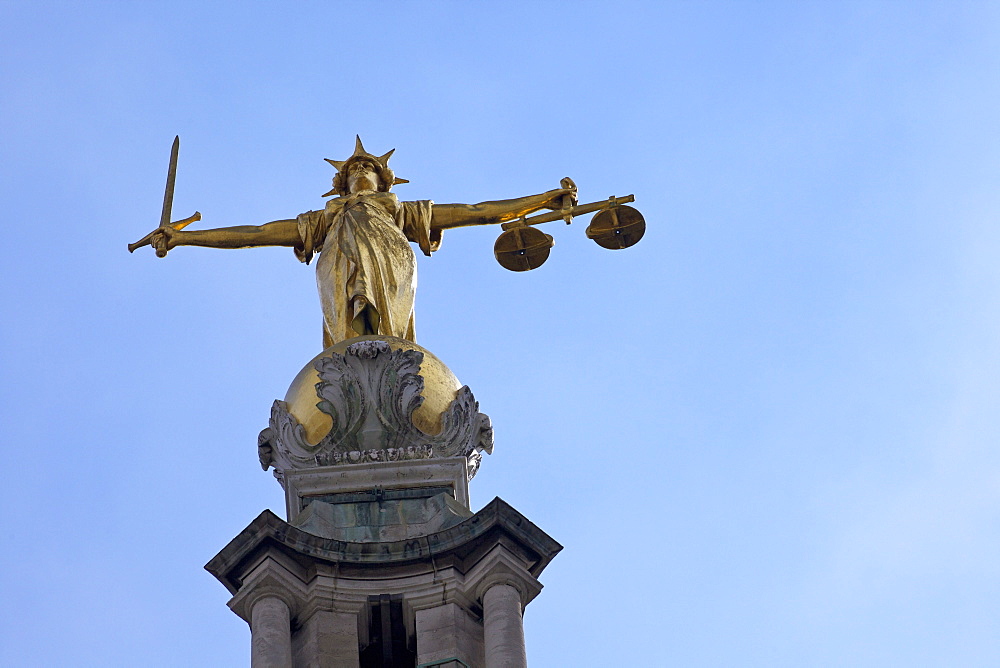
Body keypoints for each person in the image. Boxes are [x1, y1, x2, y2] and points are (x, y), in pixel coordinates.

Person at [149, 137, 576, 348]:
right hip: (337, 261)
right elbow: (259, 234)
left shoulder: (398, 210)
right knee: (351, 333)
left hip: (391, 261)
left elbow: (473, 210)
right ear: (340, 182)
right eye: (353, 168)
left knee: (384, 338)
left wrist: (539, 200)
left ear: (383, 177)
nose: (360, 170)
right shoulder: (327, 218)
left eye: (367, 166)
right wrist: (187, 238)